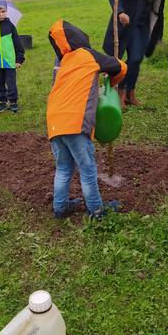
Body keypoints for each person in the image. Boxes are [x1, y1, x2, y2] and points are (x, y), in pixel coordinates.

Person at [47, 20, 127, 219]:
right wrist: (110, 85)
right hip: (75, 123)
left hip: (54, 123)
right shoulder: (87, 55)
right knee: (87, 170)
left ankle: (60, 208)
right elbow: (120, 67)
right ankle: (96, 210)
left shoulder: (62, 63)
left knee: (63, 168)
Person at [103, 0, 168, 107]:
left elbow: (157, 9)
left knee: (136, 58)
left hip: (142, 25)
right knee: (119, 60)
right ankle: (120, 93)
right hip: (127, 23)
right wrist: (120, 12)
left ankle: (130, 93)